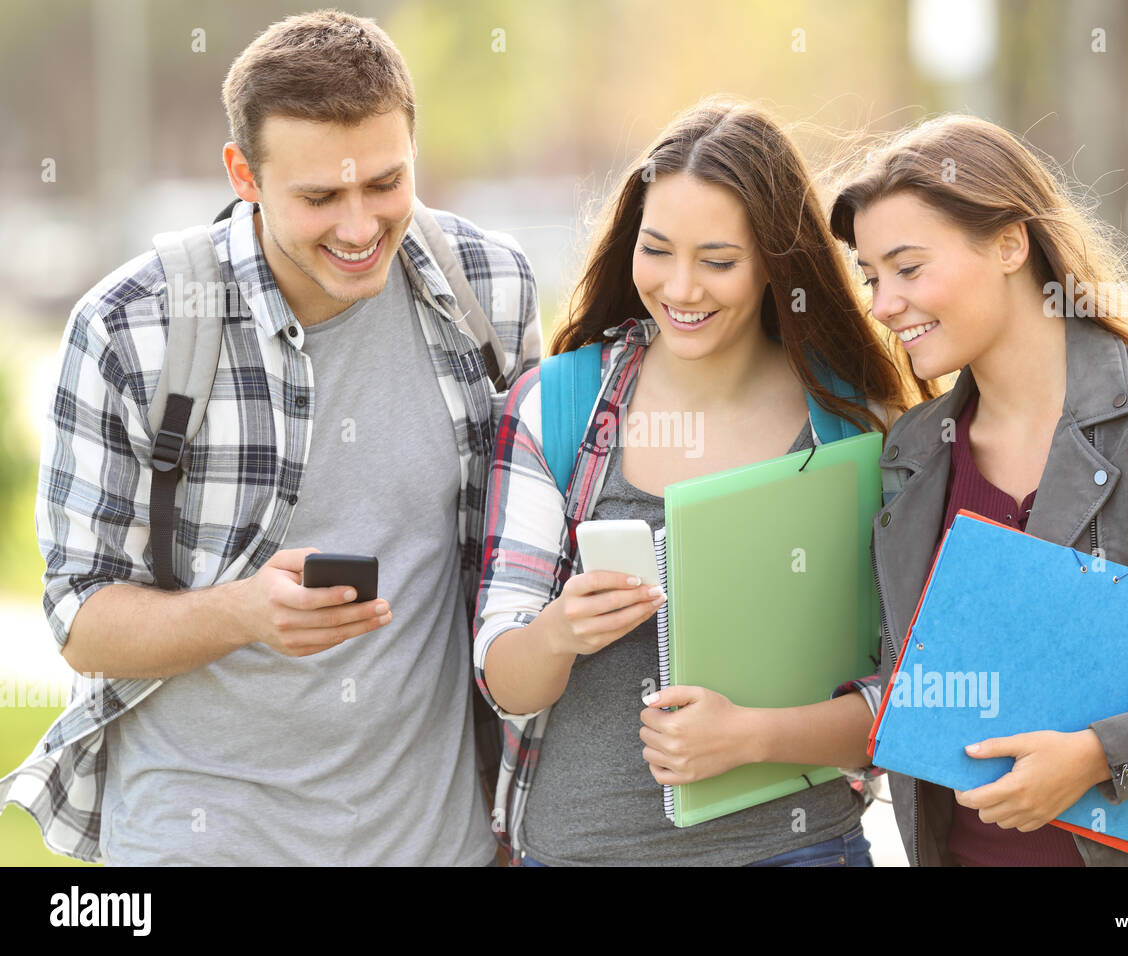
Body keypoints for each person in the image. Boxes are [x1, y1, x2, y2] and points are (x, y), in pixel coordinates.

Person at [0, 10, 540, 865]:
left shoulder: (491, 288)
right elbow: (79, 618)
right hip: (201, 838)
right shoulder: (128, 330)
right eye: (320, 197)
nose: (361, 228)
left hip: (435, 844)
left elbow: (521, 564)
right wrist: (247, 613)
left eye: (385, 184)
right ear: (242, 175)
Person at [473, 97, 936, 866]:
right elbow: (505, 679)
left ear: (774, 267)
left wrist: (751, 738)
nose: (681, 289)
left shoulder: (856, 427)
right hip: (582, 852)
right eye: (657, 250)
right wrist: (558, 633)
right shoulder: (555, 407)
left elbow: (909, 696)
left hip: (800, 851)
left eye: (718, 262)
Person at [829, 114, 1128, 866]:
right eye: (872, 277)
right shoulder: (913, 453)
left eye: (908, 269)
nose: (884, 304)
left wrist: (1097, 755)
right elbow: (919, 672)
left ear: (1011, 244)